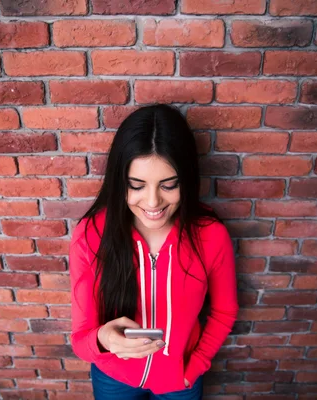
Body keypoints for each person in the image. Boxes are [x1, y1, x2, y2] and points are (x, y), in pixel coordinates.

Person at [69, 104, 239, 399]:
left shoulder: (211, 235)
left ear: (186, 179)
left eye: (168, 185)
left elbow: (225, 311)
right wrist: (103, 339)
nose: (152, 202)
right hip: (113, 379)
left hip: (180, 381)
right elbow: (80, 339)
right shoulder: (91, 235)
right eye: (136, 185)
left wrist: (193, 368)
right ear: (119, 181)